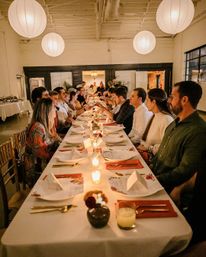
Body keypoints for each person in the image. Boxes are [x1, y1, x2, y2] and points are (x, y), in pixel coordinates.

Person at [152, 81, 206, 194]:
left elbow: (185, 170)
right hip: (155, 178)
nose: (168, 101)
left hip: (168, 189)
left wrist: (155, 180)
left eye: (172, 97)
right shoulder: (174, 123)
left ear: (184, 100)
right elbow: (162, 152)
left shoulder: (198, 130)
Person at [25, 98, 60, 187]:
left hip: (46, 165)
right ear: (46, 111)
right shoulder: (38, 127)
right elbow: (39, 153)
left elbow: (54, 140)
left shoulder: (46, 124)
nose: (55, 110)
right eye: (53, 108)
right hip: (38, 173)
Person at [137, 88, 173, 155]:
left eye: (147, 100)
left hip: (156, 160)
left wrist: (148, 148)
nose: (145, 103)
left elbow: (167, 147)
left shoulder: (166, 119)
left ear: (153, 102)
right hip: (147, 154)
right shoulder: (154, 116)